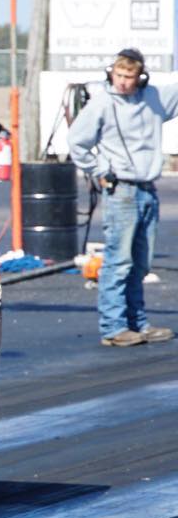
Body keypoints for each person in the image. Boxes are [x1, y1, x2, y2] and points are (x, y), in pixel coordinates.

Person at [67, 48, 176, 347]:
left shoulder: (154, 98)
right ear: (110, 73)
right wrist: (99, 169)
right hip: (122, 192)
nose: (124, 82)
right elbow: (77, 142)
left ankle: (137, 323)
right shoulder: (102, 103)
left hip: (147, 190)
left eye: (130, 76)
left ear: (140, 77)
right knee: (119, 260)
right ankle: (114, 327)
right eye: (120, 75)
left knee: (141, 262)